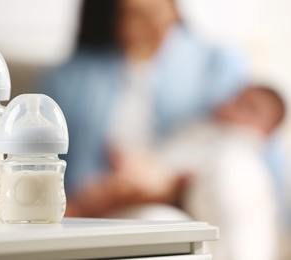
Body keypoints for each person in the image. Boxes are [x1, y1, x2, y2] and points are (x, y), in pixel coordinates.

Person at [39, 0, 247, 198]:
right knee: (162, 220)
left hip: (195, 186)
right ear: (110, 19)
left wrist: (164, 174)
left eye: (161, 10)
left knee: (233, 164)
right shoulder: (69, 79)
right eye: (137, 15)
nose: (156, 25)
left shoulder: (219, 63)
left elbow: (246, 141)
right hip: (113, 195)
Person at [70, 85, 285, 260]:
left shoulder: (242, 157)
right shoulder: (197, 130)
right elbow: (161, 161)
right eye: (238, 98)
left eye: (250, 108)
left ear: (267, 132)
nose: (236, 106)